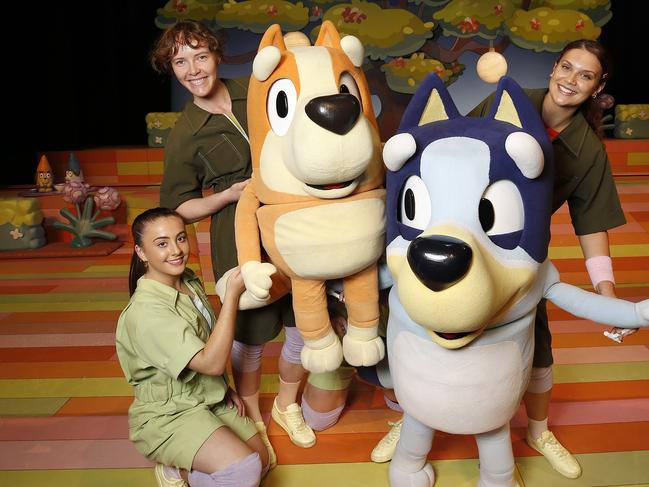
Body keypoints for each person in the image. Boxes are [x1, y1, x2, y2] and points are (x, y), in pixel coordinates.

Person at [370, 39, 627, 477]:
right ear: (553, 70)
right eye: (566, 67)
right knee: (421, 324)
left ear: (598, 86)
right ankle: (413, 416)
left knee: (537, 350)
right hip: (458, 231)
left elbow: (592, 221)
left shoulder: (587, 149)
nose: (570, 81)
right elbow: (450, 145)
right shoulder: (510, 102)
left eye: (585, 76)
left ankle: (538, 429)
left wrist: (606, 289)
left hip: (517, 256)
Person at [151, 20, 316, 463]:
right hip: (237, 234)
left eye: (200, 56)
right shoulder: (186, 132)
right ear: (171, 69)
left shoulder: (259, 87)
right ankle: (254, 417)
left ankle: (287, 404)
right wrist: (225, 195)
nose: (193, 69)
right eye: (180, 62)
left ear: (217, 56)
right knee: (252, 333)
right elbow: (178, 207)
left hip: (291, 222)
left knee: (305, 318)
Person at [116, 207, 268, 487]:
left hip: (205, 393)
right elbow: (210, 362)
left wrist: (224, 388)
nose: (176, 250)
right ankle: (174, 469)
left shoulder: (187, 280)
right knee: (244, 472)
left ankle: (191, 466)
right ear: (141, 252)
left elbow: (205, 343)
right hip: (170, 412)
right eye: (161, 244)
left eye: (180, 238)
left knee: (263, 461)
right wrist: (232, 296)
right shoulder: (147, 313)